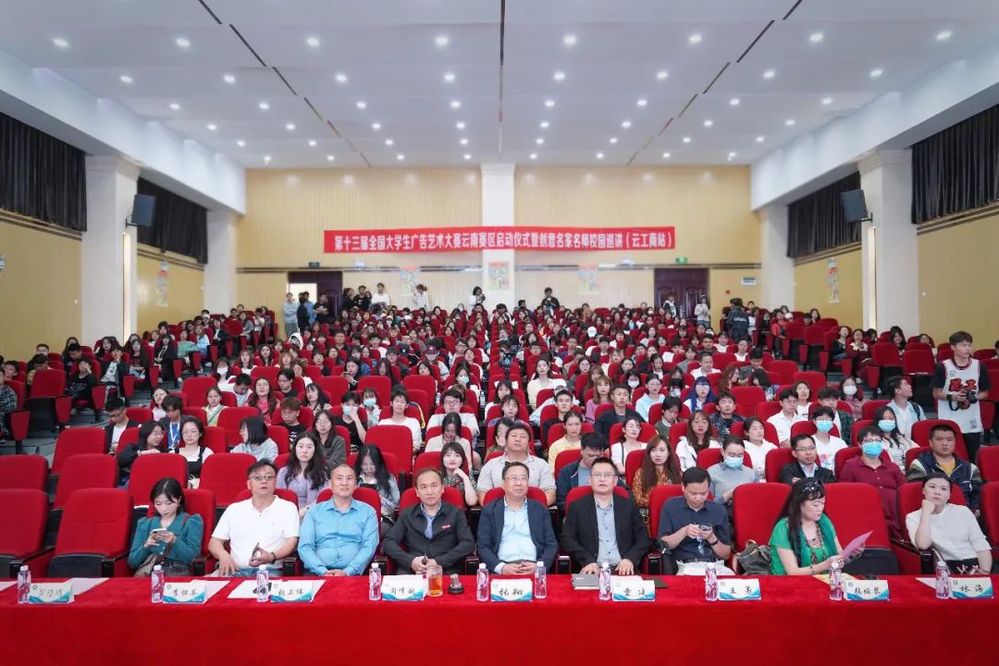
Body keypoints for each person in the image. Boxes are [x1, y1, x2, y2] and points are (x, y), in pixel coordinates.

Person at [560, 457, 652, 575]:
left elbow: (643, 537)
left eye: (607, 475)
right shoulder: (577, 507)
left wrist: (629, 559)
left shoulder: (628, 505)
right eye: (597, 475)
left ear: (615, 481)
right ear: (590, 480)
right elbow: (567, 539)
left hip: (623, 570)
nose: (602, 479)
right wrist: (587, 560)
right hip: (591, 570)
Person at [209, 460, 300, 576]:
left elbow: (292, 542)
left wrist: (272, 556)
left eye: (269, 477)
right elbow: (214, 542)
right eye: (258, 478)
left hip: (270, 572)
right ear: (249, 484)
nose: (264, 481)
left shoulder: (287, 508)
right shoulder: (234, 509)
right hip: (235, 571)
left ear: (275, 482)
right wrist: (223, 554)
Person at [382, 468, 475, 575]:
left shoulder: (455, 513)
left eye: (434, 486)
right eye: (424, 487)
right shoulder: (407, 514)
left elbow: (468, 543)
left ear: (442, 488)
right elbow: (388, 542)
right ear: (417, 492)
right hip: (412, 570)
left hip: (446, 570)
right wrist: (411, 561)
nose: (429, 491)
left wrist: (438, 562)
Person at [476, 461, 558, 574]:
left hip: (534, 568)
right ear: (503, 484)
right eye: (514, 478)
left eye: (523, 478)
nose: (519, 483)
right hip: (502, 568)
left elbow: (551, 544)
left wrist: (539, 566)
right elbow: (483, 546)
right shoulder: (490, 510)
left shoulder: (540, 509)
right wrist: (501, 568)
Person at [297, 464, 379, 576]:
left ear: (355, 484)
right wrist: (323, 571)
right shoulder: (314, 512)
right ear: (330, 484)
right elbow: (305, 547)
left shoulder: (368, 512)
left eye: (349, 478)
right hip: (317, 573)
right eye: (339, 478)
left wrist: (347, 571)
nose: (344, 483)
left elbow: (369, 547)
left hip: (354, 574)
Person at [906, 473, 992, 574]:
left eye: (943, 489)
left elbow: (980, 544)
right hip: (946, 567)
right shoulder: (913, 517)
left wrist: (985, 572)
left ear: (949, 495)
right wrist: (926, 513)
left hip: (974, 564)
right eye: (932, 487)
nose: (937, 492)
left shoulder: (963, 511)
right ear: (923, 490)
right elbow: (923, 545)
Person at [657, 466, 733, 574]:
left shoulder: (718, 510)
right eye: (693, 494)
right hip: (684, 565)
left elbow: (726, 555)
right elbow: (664, 545)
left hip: (714, 565)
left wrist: (711, 537)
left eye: (703, 493)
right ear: (683, 488)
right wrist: (684, 532)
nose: (698, 498)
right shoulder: (671, 507)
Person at [933, 331, 990, 462]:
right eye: (963, 345)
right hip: (949, 418)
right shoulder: (943, 366)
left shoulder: (979, 366)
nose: (967, 348)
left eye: (969, 345)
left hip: (971, 420)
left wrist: (974, 397)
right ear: (953, 347)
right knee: (950, 457)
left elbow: (985, 393)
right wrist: (953, 397)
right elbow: (936, 393)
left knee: (972, 458)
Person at [128, 478, 204, 575]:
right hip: (151, 573)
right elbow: (132, 563)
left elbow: (194, 559)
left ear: (179, 500)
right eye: (158, 504)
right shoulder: (146, 524)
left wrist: (175, 541)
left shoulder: (191, 522)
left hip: (178, 574)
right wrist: (146, 546)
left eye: (169, 503)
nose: (163, 509)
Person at [839, 427, 906, 537]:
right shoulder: (851, 466)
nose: (874, 444)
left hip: (896, 518)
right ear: (860, 445)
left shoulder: (892, 467)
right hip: (867, 519)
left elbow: (905, 493)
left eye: (877, 440)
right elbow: (843, 496)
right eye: (868, 441)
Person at [768, 479, 844, 575]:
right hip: (789, 582)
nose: (820, 508)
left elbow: (839, 552)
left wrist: (850, 555)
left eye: (823, 503)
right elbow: (792, 572)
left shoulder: (824, 521)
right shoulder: (783, 528)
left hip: (824, 580)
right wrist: (824, 565)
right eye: (815, 504)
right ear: (799, 503)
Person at [906, 423, 982, 513]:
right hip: (932, 515)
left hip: (964, 515)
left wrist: (971, 513)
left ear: (955, 442)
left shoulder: (971, 468)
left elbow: (977, 499)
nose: (945, 443)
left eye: (950, 440)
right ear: (931, 442)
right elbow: (918, 497)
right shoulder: (919, 466)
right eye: (939, 439)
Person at [476, 423, 556, 506]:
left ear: (529, 443)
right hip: (497, 511)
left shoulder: (541, 465)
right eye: (514, 436)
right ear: (506, 441)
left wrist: (527, 510)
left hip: (533, 511)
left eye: (523, 437)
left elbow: (549, 493)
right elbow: (483, 494)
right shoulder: (491, 465)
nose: (518, 439)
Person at [277, 434, 330, 515]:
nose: (304, 451)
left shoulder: (322, 473)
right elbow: (277, 496)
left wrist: (304, 511)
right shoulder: (283, 472)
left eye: (309, 447)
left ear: (315, 450)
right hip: (285, 513)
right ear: (295, 448)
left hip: (312, 513)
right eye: (301, 446)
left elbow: (322, 499)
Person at [354, 444, 400, 535]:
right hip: (358, 516)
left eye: (372, 464)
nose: (369, 468)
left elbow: (395, 506)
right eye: (364, 464)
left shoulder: (388, 479)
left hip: (382, 517)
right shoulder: (355, 478)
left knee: (376, 529)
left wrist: (378, 498)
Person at [630, 436, 681, 514]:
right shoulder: (641, 473)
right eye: (653, 450)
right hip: (649, 513)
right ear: (649, 453)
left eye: (662, 450)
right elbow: (637, 499)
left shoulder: (677, 473)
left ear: (668, 453)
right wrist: (657, 503)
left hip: (672, 513)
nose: (657, 454)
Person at [707, 438, 760, 509]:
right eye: (732, 455)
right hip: (722, 511)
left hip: (747, 510)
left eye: (739, 455)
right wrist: (727, 496)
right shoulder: (712, 472)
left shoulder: (752, 473)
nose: (735, 458)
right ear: (723, 452)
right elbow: (707, 504)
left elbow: (758, 500)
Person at [117, 421, 166, 487]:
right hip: (130, 480)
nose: (159, 437)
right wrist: (142, 453)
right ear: (146, 434)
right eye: (155, 434)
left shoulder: (162, 451)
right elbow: (120, 459)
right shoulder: (133, 447)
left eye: (161, 433)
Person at [873, 405, 917, 471]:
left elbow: (917, 450)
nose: (888, 421)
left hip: (910, 470)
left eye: (891, 418)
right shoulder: (875, 441)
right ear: (878, 421)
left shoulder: (901, 438)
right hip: (892, 472)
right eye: (884, 419)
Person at [378, 388, 422, 453]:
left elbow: (416, 446)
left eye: (402, 402)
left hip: (406, 456)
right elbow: (378, 444)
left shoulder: (413, 422)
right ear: (391, 403)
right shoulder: (382, 423)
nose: (399, 404)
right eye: (396, 401)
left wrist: (403, 455)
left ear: (406, 405)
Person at [176, 416, 214, 485]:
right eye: (185, 432)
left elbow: (210, 477)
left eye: (193, 431)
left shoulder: (207, 453)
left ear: (200, 433)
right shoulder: (173, 453)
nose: (189, 435)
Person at [439, 441, 478, 506]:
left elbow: (472, 502)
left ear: (462, 460)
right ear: (442, 459)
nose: (452, 459)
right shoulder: (436, 475)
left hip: (459, 510)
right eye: (448, 455)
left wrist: (465, 477)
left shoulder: (468, 474)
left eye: (457, 455)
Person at [811, 406, 847, 471]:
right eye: (821, 419)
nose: (824, 422)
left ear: (832, 422)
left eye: (827, 419)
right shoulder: (808, 442)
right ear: (814, 421)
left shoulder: (840, 443)